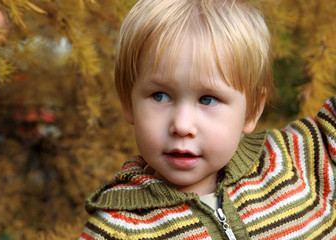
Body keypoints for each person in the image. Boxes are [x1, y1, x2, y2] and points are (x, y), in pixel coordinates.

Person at [79, 0, 336, 239]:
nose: (182, 125)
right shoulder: (118, 230)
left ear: (252, 109)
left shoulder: (296, 159)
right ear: (128, 103)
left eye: (207, 99)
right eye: (159, 95)